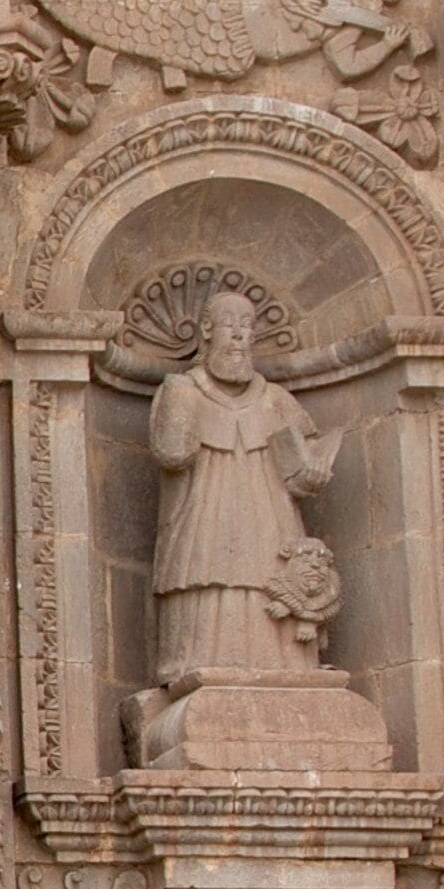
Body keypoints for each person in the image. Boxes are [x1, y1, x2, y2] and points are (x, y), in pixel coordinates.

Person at [147, 289, 338, 685]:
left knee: (266, 577)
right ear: (206, 331)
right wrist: (181, 404)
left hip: (270, 518)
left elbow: (306, 456)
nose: (238, 335)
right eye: (229, 325)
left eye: (247, 326)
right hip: (203, 516)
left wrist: (312, 471)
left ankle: (285, 667)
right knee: (205, 573)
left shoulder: (275, 399)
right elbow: (172, 453)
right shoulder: (182, 390)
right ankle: (195, 666)